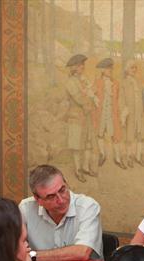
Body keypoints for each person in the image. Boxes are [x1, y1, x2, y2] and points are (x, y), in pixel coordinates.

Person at [19, 164, 102, 261]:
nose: (61, 200)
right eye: (51, 196)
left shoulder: (87, 207)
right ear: (38, 199)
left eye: (62, 190)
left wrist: (32, 256)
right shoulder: (26, 209)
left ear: (66, 183)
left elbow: (82, 252)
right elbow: (14, 248)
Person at [64, 54, 97, 182]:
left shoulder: (83, 80)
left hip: (86, 115)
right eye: (79, 65)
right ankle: (78, 170)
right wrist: (89, 98)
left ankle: (85, 168)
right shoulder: (70, 82)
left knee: (87, 142)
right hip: (76, 116)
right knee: (77, 144)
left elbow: (90, 94)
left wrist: (91, 94)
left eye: (82, 64)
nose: (82, 67)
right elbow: (79, 98)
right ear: (73, 67)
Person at [93, 58, 126, 170]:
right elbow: (91, 94)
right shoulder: (97, 82)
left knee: (115, 136)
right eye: (108, 68)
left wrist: (121, 113)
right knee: (100, 134)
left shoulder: (115, 83)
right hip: (100, 113)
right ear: (102, 70)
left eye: (111, 68)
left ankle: (117, 158)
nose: (110, 70)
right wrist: (94, 98)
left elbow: (119, 99)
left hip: (112, 114)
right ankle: (102, 154)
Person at [120, 59, 144, 168]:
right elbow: (121, 99)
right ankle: (129, 157)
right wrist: (124, 111)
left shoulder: (138, 83)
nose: (134, 70)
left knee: (140, 136)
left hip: (139, 113)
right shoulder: (124, 83)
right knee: (130, 136)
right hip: (130, 113)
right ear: (127, 69)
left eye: (135, 68)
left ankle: (139, 157)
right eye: (132, 68)